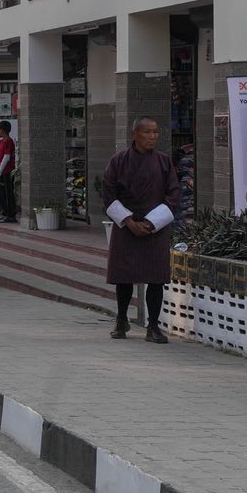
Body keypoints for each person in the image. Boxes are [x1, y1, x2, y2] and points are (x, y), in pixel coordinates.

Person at [104, 116, 182, 343]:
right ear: (134, 134)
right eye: (147, 132)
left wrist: (150, 223)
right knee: (124, 278)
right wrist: (129, 221)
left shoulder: (164, 162)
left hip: (154, 227)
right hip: (126, 225)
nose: (152, 137)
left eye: (156, 132)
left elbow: (174, 195)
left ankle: (154, 326)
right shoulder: (118, 161)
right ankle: (121, 319)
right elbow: (109, 195)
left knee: (156, 278)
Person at [0, 121, 19, 223]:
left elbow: (6, 157)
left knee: (8, 193)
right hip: (0, 172)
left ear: (3, 130)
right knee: (1, 193)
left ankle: (10, 214)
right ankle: (4, 213)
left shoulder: (9, 141)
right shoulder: (1, 142)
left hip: (7, 172)